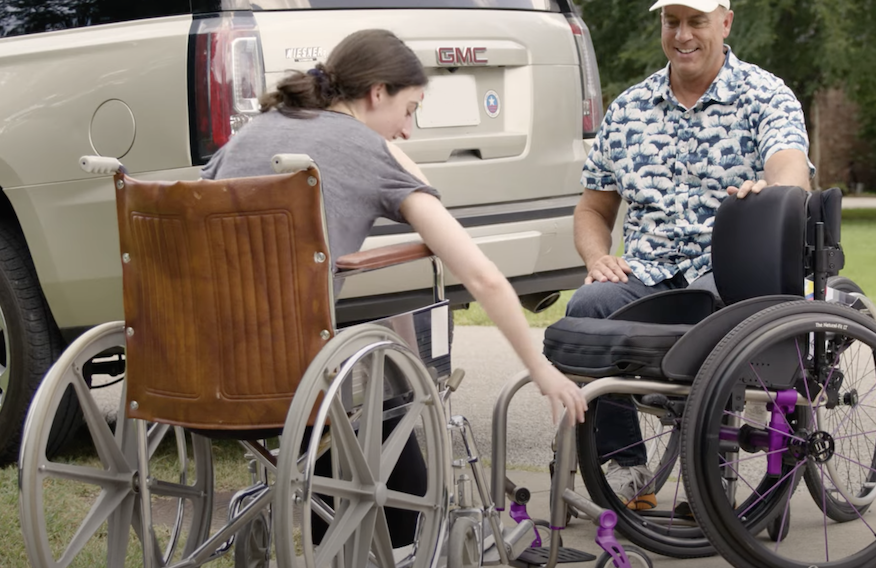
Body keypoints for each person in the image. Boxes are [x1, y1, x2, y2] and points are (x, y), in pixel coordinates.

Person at [201, 28, 587, 542]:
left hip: (198, 367)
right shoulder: (365, 148)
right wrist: (541, 371)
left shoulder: (254, 131)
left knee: (353, 381)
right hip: (287, 378)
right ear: (377, 92)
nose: (406, 130)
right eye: (409, 110)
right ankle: (404, 540)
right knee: (387, 385)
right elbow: (480, 275)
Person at [569, 0, 813, 510]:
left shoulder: (764, 95)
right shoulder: (629, 109)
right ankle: (628, 467)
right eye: (671, 21)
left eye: (696, 21)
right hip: (648, 274)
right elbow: (592, 207)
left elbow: (792, 170)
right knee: (587, 308)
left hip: (725, 275)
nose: (682, 35)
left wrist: (772, 188)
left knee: (713, 316)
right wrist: (596, 256)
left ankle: (711, 476)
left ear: (725, 23)